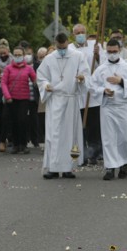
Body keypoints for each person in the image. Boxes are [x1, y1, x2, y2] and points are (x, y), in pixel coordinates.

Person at [37, 32, 90, 179]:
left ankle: (68, 168)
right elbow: (41, 77)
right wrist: (46, 85)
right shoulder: (49, 59)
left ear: (68, 43)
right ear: (55, 45)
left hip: (70, 100)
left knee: (69, 135)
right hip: (55, 99)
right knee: (54, 134)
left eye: (64, 47)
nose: (62, 50)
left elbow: (86, 74)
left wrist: (81, 78)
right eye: (59, 47)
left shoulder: (78, 56)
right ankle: (53, 168)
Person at [92, 39, 127, 180]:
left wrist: (121, 82)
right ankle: (110, 168)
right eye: (109, 52)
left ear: (119, 50)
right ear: (106, 51)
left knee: (125, 138)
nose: (112, 54)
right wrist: (103, 90)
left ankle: (124, 164)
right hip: (107, 107)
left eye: (114, 51)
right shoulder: (101, 69)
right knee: (109, 138)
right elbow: (92, 86)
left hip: (122, 106)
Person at [72, 24, 103, 165]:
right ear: (73, 35)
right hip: (79, 93)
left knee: (94, 126)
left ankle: (94, 154)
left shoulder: (95, 46)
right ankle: (82, 155)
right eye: (77, 32)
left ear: (86, 33)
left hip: (93, 93)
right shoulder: (70, 49)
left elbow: (103, 66)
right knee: (80, 127)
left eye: (82, 32)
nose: (80, 34)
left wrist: (98, 56)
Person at [1, 46, 37, 154]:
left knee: (23, 121)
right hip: (11, 99)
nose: (17, 57)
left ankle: (23, 144)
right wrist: (7, 96)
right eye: (15, 55)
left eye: (19, 55)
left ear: (23, 55)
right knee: (13, 122)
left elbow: (35, 79)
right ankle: (15, 144)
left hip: (24, 99)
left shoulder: (29, 68)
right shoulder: (8, 68)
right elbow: (3, 83)